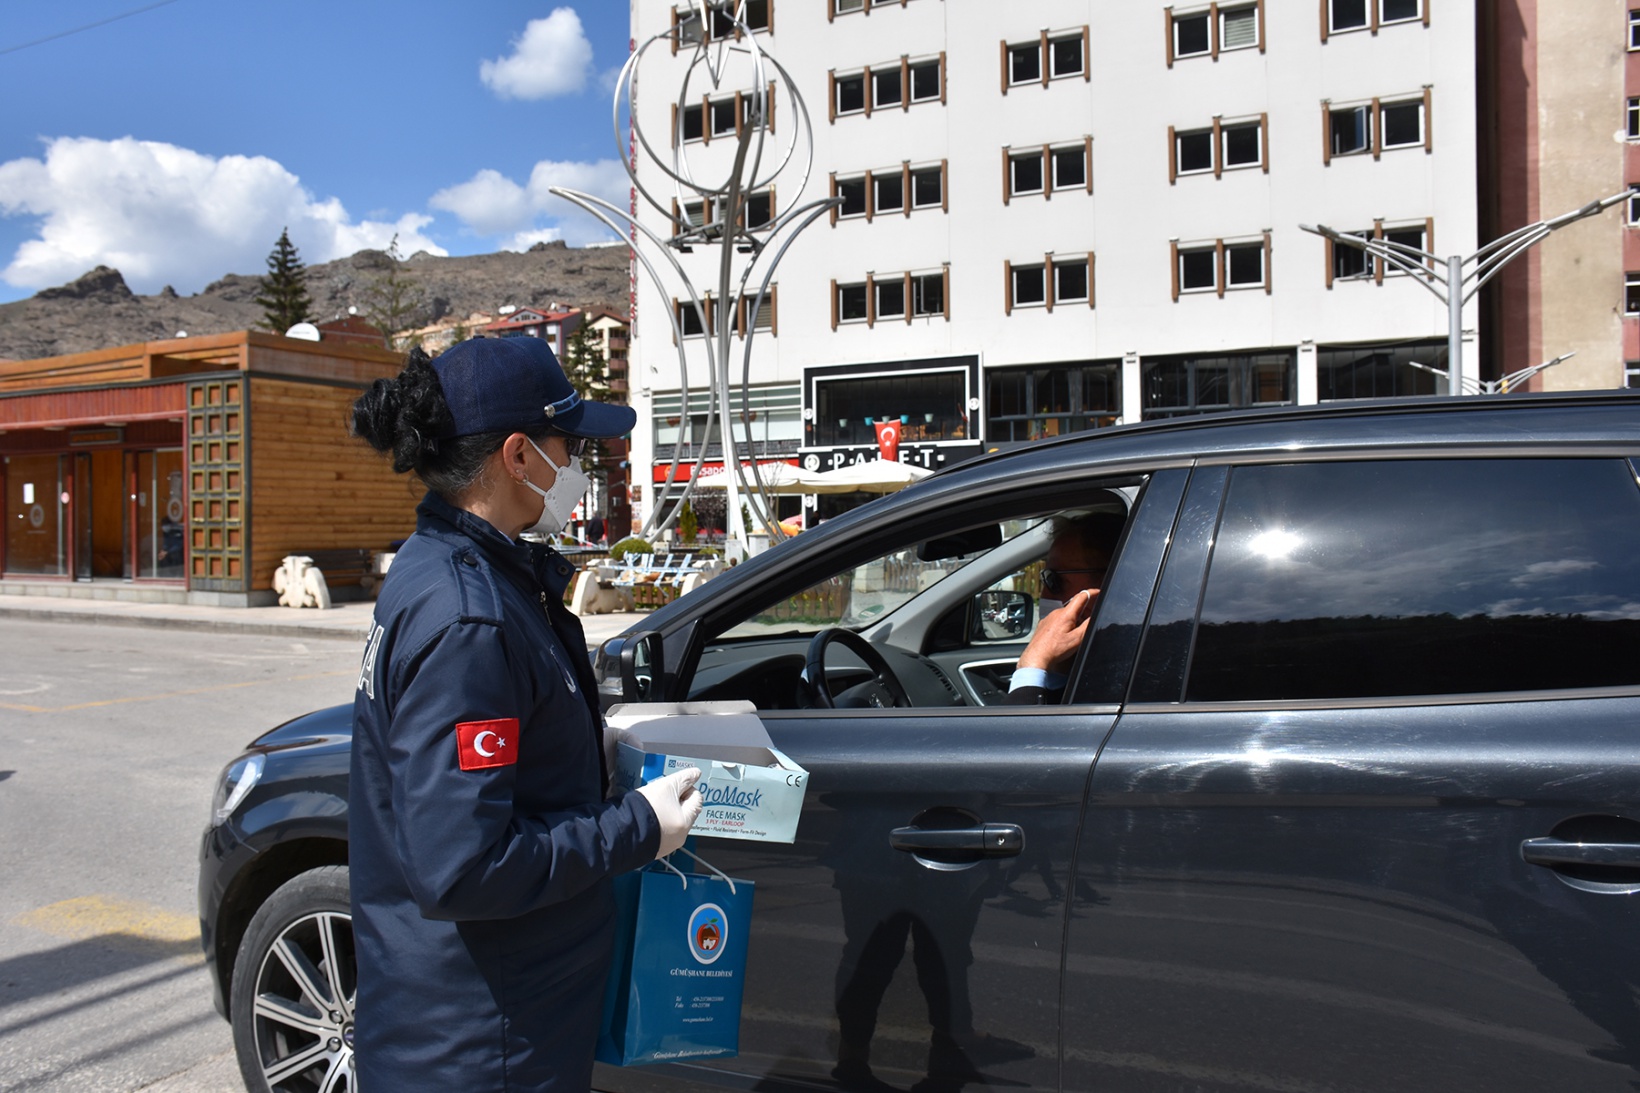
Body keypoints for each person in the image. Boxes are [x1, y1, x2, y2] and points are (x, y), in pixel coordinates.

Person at [348, 336, 704, 1090]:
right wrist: (637, 827)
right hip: (484, 1046)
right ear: (518, 455)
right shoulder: (468, 616)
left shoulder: (463, 570)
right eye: (569, 445)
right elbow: (464, 867)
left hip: (486, 1022)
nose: (579, 466)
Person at [1007, 511, 1125, 704]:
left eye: (1054, 579)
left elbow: (1017, 733)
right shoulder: (1090, 665)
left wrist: (1033, 664)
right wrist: (1058, 665)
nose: (1043, 594)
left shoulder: (1123, 674)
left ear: (1109, 582)